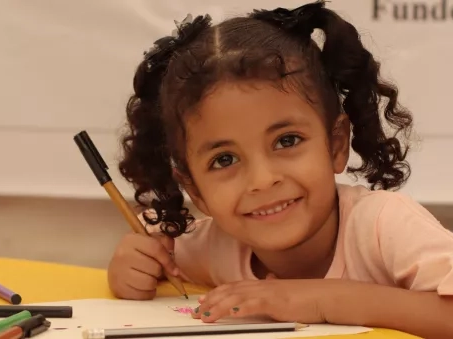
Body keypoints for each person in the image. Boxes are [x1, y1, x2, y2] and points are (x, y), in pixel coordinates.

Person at [107, 1, 453, 337]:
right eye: (224, 159)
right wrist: (133, 263)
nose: (262, 180)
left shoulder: (384, 226)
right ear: (195, 189)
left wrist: (322, 300)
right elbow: (151, 248)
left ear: (335, 144)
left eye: (287, 141)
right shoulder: (214, 245)